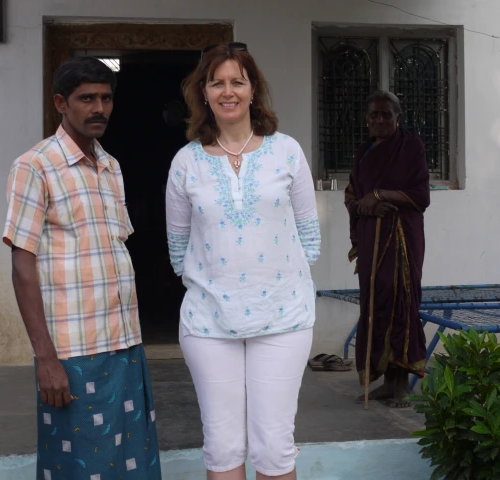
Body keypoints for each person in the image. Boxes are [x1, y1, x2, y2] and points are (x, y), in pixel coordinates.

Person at [165, 42, 320, 480]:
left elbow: (310, 237)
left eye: (238, 81)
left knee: (273, 448)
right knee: (223, 447)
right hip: (209, 323)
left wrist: (271, 280)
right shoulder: (185, 164)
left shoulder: (286, 151)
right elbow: (178, 249)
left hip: (283, 319)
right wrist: (224, 283)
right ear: (204, 93)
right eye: (217, 83)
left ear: (254, 91)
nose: (227, 91)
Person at [3, 56, 161, 480]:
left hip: (125, 344)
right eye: (86, 98)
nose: (99, 108)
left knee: (133, 462)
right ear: (61, 102)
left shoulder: (111, 167)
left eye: (106, 98)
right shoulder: (34, 166)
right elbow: (22, 265)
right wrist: (45, 359)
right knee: (82, 465)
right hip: (72, 353)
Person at [344, 90, 431, 408]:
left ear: (398, 116)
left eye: (386, 114)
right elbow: (352, 195)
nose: (380, 120)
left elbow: (421, 196)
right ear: (366, 120)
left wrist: (381, 196)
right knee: (374, 304)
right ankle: (382, 380)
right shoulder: (364, 151)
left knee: (399, 302)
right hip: (371, 241)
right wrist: (368, 206)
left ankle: (400, 385)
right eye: (374, 115)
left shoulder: (411, 147)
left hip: (401, 241)